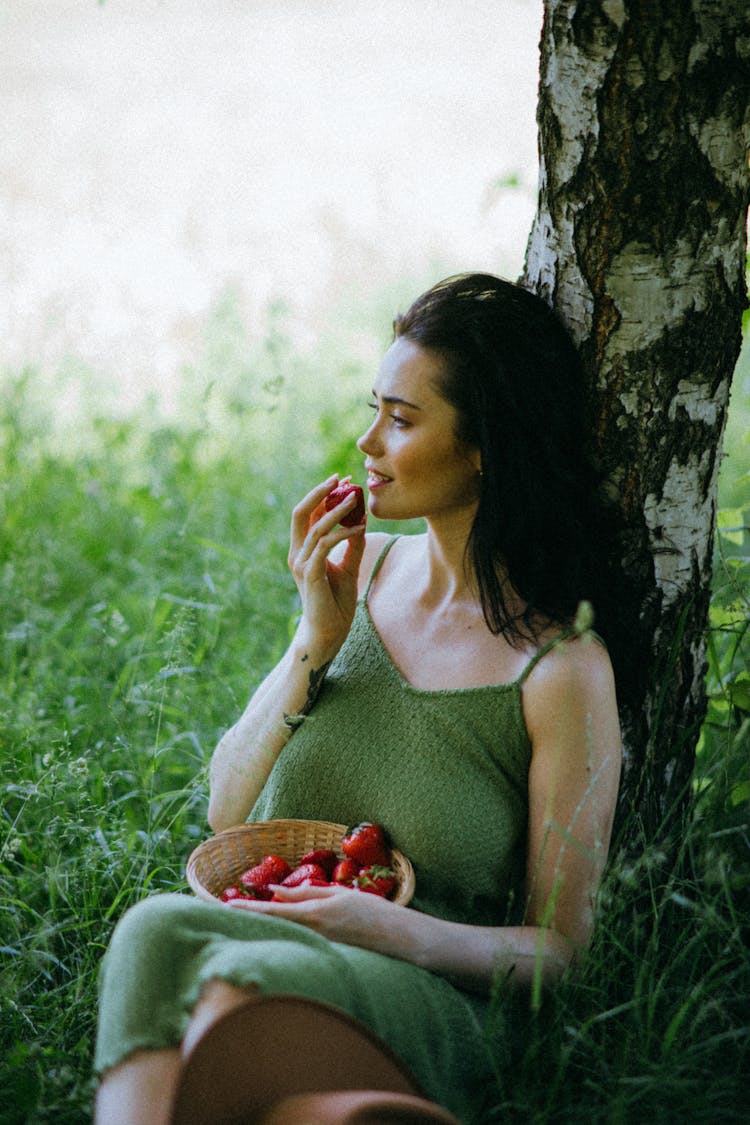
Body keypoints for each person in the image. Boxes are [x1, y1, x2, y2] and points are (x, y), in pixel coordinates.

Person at [94, 273, 622, 1125]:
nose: (367, 441)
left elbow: (562, 950)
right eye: (374, 408)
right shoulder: (361, 574)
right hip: (286, 947)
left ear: (486, 445)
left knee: (234, 991)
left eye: (402, 420)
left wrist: (389, 929)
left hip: (433, 991)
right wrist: (316, 638)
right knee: (151, 929)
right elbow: (225, 815)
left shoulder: (560, 670)